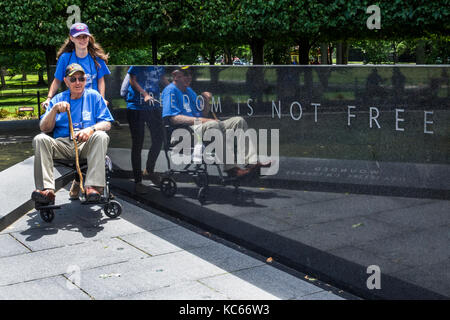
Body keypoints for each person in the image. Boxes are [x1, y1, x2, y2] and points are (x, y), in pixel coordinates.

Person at [41, 22, 111, 199]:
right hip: (72, 102)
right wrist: (50, 99)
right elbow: (57, 80)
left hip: (91, 103)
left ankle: (90, 185)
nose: (82, 39)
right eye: (78, 36)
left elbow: (101, 80)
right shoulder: (66, 58)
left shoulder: (95, 58)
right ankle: (73, 183)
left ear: (89, 37)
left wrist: (101, 98)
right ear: (72, 38)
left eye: (85, 36)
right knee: (56, 138)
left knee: (98, 136)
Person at [161, 66, 270, 178]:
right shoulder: (170, 90)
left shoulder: (189, 91)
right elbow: (174, 118)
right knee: (212, 124)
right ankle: (231, 169)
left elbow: (202, 115)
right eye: (185, 74)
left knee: (239, 121)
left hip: (199, 129)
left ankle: (252, 164)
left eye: (190, 74)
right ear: (175, 75)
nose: (189, 77)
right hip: (182, 134)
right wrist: (206, 120)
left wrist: (206, 102)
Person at [31, 63, 114, 204]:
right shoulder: (57, 99)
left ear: (86, 80)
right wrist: (53, 110)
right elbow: (44, 128)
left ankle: (93, 187)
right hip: (62, 144)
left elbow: (107, 123)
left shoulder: (94, 96)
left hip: (86, 144)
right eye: (73, 79)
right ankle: (47, 190)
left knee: (101, 135)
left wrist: (91, 129)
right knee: (40, 139)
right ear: (66, 81)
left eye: (81, 79)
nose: (77, 82)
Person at [126, 66, 169, 194]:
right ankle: (138, 181)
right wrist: (144, 94)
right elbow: (132, 80)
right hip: (136, 107)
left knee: (159, 139)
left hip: (153, 105)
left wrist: (176, 90)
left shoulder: (158, 63)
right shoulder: (139, 62)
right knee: (138, 143)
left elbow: (162, 79)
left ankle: (149, 170)